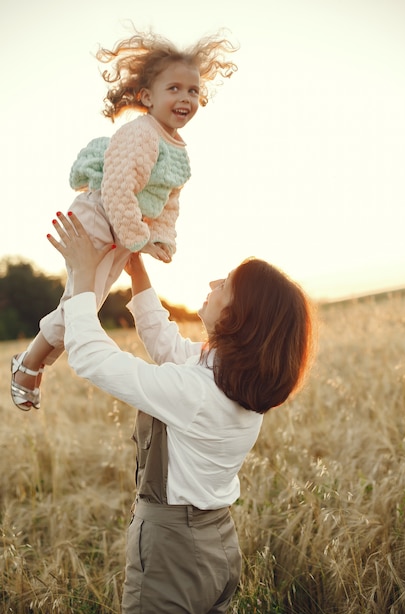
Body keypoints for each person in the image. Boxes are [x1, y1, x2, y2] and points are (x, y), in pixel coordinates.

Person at [44, 212, 314, 614]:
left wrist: (82, 275)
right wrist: (135, 267)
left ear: (238, 315)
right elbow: (166, 342)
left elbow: (92, 357)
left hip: (172, 552)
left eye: (225, 284)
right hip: (217, 545)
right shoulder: (227, 380)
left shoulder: (199, 393)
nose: (212, 285)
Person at [10, 29, 237, 411]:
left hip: (123, 230)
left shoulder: (178, 151)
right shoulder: (142, 134)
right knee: (82, 303)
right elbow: (116, 187)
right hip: (99, 218)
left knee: (83, 304)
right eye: (175, 89)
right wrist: (135, 236)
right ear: (147, 96)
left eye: (193, 91)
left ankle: (28, 364)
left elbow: (168, 203)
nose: (185, 98)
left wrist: (161, 241)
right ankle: (28, 364)